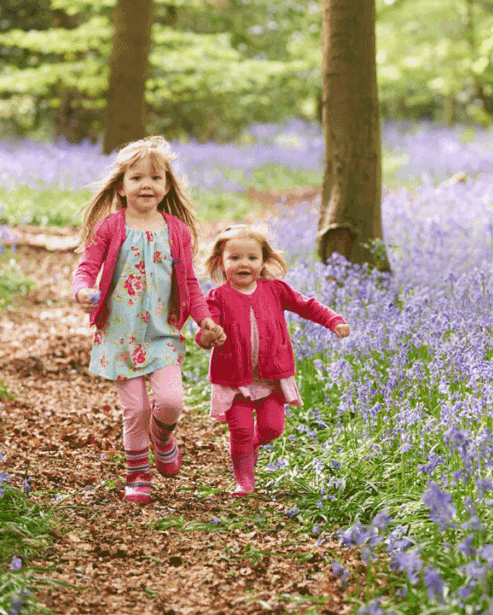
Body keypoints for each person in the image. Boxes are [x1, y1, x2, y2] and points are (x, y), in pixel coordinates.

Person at [71, 136, 226, 505]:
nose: (146, 184)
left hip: (162, 333)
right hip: (119, 334)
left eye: (155, 178)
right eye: (137, 177)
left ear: (167, 186)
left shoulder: (176, 231)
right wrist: (81, 290)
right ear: (121, 187)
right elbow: (87, 266)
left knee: (171, 401)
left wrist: (203, 320)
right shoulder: (111, 227)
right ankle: (138, 473)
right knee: (136, 408)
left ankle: (162, 436)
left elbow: (189, 282)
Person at [196, 224, 350, 496]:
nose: (244, 263)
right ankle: (244, 480)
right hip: (235, 378)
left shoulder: (275, 290)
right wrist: (210, 336)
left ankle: (254, 444)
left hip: (272, 377)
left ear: (264, 261)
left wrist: (332, 320)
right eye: (235, 258)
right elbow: (207, 330)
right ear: (221, 261)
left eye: (252, 258)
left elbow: (307, 305)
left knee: (272, 429)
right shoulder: (217, 297)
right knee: (240, 431)